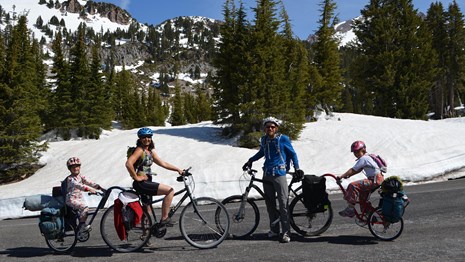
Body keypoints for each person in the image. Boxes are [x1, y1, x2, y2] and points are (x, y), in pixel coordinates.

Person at [243, 117, 303, 243]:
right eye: (268, 126)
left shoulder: (283, 139)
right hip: (267, 174)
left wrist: (297, 168)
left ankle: (286, 232)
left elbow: (293, 154)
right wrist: (250, 160)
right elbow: (261, 153)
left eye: (272, 126)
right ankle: (275, 230)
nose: (270, 128)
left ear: (276, 128)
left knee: (283, 203)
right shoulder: (264, 139)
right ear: (264, 128)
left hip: (280, 173)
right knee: (270, 204)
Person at [126, 127, 184, 227]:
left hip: (146, 182)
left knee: (147, 209)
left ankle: (145, 237)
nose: (146, 139)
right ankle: (164, 218)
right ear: (140, 139)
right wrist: (136, 177)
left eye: (149, 137)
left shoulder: (150, 152)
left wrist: (178, 169)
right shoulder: (139, 150)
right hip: (142, 183)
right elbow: (128, 164)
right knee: (170, 191)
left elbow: (163, 163)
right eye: (144, 137)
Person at [337, 140, 384, 217]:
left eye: (358, 152)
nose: (356, 154)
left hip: (374, 180)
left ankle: (350, 209)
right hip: (378, 180)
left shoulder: (364, 158)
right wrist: (347, 175)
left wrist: (341, 176)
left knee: (353, 185)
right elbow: (358, 170)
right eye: (354, 152)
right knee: (362, 198)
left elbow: (353, 169)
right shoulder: (368, 157)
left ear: (364, 150)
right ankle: (369, 216)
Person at [64, 157, 104, 233]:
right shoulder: (70, 179)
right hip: (71, 199)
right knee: (85, 208)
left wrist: (100, 188)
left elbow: (89, 182)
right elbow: (78, 185)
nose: (76, 169)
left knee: (82, 213)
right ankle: (82, 226)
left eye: (77, 166)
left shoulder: (80, 176)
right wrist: (89, 190)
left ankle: (79, 228)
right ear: (69, 169)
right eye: (73, 167)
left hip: (78, 198)